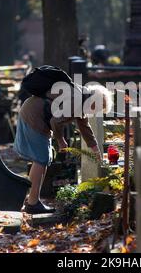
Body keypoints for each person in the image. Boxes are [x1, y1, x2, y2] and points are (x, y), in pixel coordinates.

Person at [14, 82, 113, 214]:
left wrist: (96, 150)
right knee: (41, 159)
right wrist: (60, 140)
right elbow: (56, 121)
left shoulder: (82, 99)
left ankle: (31, 200)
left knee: (43, 160)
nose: (95, 112)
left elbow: (85, 127)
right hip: (34, 117)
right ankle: (32, 203)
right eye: (98, 108)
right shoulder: (76, 101)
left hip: (36, 116)